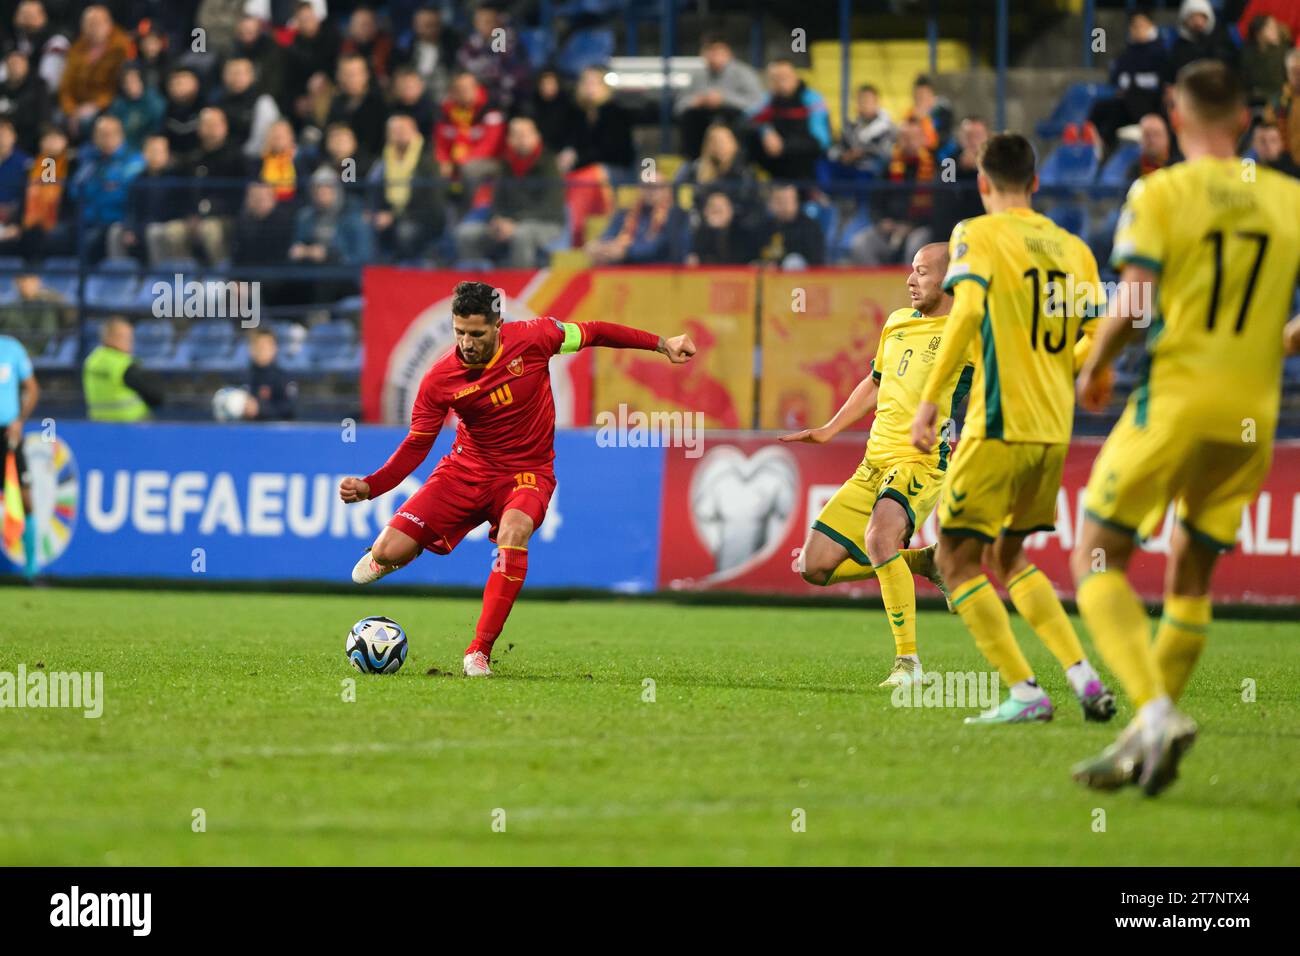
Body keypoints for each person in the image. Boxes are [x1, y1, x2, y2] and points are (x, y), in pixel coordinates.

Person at [1070, 62, 1300, 795]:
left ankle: (1156, 710)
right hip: (1253, 415)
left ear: (1175, 109)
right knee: (1190, 572)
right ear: (1243, 120)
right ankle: (1146, 735)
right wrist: (1283, 338)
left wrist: (1098, 363)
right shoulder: (1290, 199)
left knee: (1096, 554)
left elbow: (1136, 304)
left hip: (1176, 400)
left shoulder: (1160, 191)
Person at [339, 280, 697, 676]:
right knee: (389, 552)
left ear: (498, 325)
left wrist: (663, 344)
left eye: (476, 333)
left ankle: (478, 651)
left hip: (527, 473)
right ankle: (404, 549)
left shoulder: (537, 337)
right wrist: (372, 486)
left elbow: (595, 331)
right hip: (464, 471)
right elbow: (416, 446)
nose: (467, 343)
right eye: (460, 332)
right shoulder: (439, 380)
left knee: (515, 530)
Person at [908, 131, 1115, 726]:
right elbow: (1092, 340)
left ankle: (1025, 691)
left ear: (981, 183)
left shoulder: (976, 233)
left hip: (999, 422)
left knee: (953, 558)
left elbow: (967, 311)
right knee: (1010, 552)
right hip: (1053, 431)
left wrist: (928, 402)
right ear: (1036, 182)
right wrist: (1087, 373)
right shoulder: (1073, 248)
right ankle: (1083, 677)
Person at [780, 243, 968, 685]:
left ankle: (909, 666)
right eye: (910, 271)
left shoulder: (967, 332)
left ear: (950, 279)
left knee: (880, 537)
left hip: (919, 463)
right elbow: (874, 383)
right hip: (872, 464)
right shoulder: (897, 323)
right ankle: (923, 562)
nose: (910, 280)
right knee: (813, 567)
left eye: (922, 272)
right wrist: (828, 429)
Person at [455, 116, 563, 269]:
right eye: (515, 135)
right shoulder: (505, 165)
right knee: (466, 234)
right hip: (509, 223)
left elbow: (549, 207)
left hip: (546, 224)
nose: (520, 139)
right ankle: (474, 289)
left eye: (524, 134)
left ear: (536, 137)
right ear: (509, 139)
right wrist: (497, 220)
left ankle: (519, 286)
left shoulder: (549, 164)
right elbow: (497, 201)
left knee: (521, 235)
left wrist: (514, 223)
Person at [851, 117, 935, 266]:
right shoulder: (888, 167)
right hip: (889, 230)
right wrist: (881, 221)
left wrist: (911, 226)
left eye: (913, 137)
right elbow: (875, 201)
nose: (908, 142)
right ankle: (878, 288)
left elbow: (942, 207)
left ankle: (912, 288)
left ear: (923, 139)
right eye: (903, 137)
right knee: (860, 244)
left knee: (916, 247)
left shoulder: (939, 166)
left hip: (920, 229)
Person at [1087, 8, 1167, 153]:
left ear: (1151, 26)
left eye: (1141, 25)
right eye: (1134, 26)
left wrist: (1132, 83)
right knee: (1101, 107)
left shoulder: (1160, 52)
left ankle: (1104, 145)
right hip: (1127, 102)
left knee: (1123, 104)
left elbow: (1159, 81)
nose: (1137, 30)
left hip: (1149, 103)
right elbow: (1117, 77)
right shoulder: (1127, 53)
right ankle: (1095, 143)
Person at [673, 33, 765, 159]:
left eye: (718, 51)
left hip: (734, 121)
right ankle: (693, 163)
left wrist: (724, 99)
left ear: (728, 53)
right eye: (709, 51)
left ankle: (736, 162)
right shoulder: (697, 76)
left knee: (734, 118)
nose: (713, 56)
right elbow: (679, 107)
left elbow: (758, 104)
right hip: (702, 122)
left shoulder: (744, 73)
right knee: (691, 116)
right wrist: (696, 101)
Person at [368, 113, 445, 261]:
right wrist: (373, 211)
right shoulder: (382, 160)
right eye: (394, 131)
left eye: (402, 130)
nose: (398, 134)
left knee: (405, 232)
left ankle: (406, 268)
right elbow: (374, 187)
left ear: (414, 131)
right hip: (391, 213)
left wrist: (395, 217)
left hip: (422, 217)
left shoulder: (428, 158)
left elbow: (432, 200)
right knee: (365, 227)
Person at [747, 59, 831, 183]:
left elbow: (822, 141)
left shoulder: (812, 99)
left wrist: (785, 146)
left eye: (785, 77)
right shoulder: (768, 99)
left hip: (805, 163)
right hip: (775, 161)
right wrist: (766, 131)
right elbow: (749, 120)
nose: (780, 82)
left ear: (795, 77)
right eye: (776, 78)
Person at [57, 4, 132, 140]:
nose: (93, 28)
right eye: (88, 24)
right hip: (77, 105)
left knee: (87, 123)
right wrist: (71, 110)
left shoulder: (121, 47)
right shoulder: (77, 48)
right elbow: (66, 84)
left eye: (97, 24)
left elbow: (117, 85)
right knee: (57, 119)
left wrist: (95, 105)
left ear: (109, 24)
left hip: (105, 104)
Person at [0, 331, 38, 580]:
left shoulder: (11, 348)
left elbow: (32, 388)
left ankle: (31, 570)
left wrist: (19, 421)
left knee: (24, 499)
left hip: (7, 435)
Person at [82, 317, 163, 421]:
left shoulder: (91, 360)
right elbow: (156, 395)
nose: (130, 342)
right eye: (126, 337)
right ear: (110, 337)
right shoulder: (124, 365)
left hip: (100, 424)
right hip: (132, 425)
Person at [828, 84, 897, 176]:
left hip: (872, 169)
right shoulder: (851, 126)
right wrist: (843, 155)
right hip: (849, 166)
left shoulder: (888, 127)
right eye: (860, 100)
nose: (863, 104)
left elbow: (887, 153)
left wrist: (862, 152)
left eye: (867, 101)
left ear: (876, 102)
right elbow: (836, 147)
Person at [755, 182, 825, 268]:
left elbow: (815, 263)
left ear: (796, 202)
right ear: (770, 204)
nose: (783, 206)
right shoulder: (762, 228)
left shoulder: (809, 228)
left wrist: (778, 266)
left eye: (787, 200)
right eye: (778, 201)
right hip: (768, 279)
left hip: (799, 279)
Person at [240, 329, 297, 421]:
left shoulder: (283, 378)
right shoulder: (242, 378)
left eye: (265, 347)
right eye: (257, 347)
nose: (261, 351)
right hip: (246, 432)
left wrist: (260, 409)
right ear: (251, 349)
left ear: (274, 348)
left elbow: (289, 408)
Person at [1126, 113, 1175, 181]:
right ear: (1140, 140)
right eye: (1147, 135)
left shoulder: (1178, 166)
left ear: (1167, 138)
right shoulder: (1134, 170)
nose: (1152, 140)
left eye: (1156, 134)